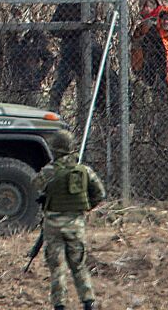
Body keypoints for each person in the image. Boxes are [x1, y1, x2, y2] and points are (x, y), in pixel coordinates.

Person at [31, 129, 106, 310]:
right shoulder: (84, 171)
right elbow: (100, 194)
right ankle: (88, 301)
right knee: (78, 265)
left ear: (54, 149)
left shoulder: (49, 171)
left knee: (57, 268)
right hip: (76, 225)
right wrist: (85, 207)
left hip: (53, 226)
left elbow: (35, 184)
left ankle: (59, 305)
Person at [48, 0, 96, 113]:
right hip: (69, 51)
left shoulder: (88, 1)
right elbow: (54, 26)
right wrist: (71, 28)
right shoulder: (66, 3)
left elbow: (87, 24)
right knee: (58, 88)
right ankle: (54, 115)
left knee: (89, 89)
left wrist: (69, 27)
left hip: (85, 50)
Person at [0, 6, 55, 107]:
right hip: (11, 87)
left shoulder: (36, 34)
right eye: (14, 14)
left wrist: (38, 77)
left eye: (19, 14)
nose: (17, 18)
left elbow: (49, 58)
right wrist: (2, 78)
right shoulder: (5, 34)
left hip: (31, 87)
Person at [132, 6, 168, 100]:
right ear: (160, 20)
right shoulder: (153, 34)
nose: (167, 22)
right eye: (164, 19)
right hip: (155, 76)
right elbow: (150, 55)